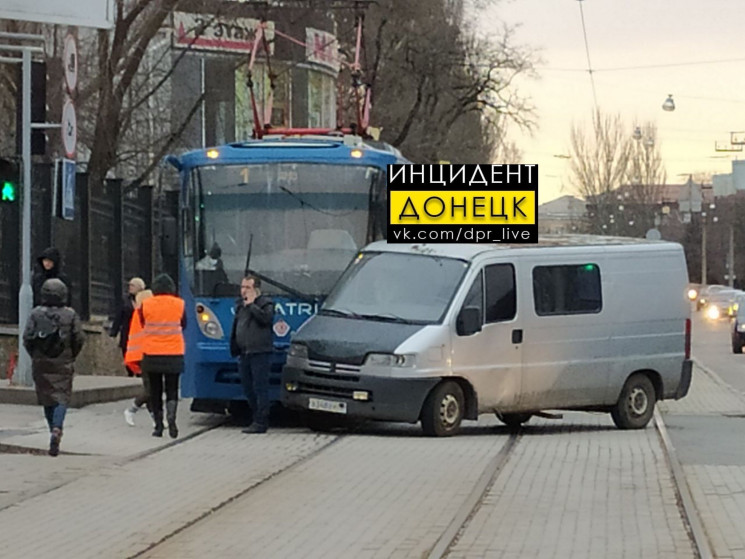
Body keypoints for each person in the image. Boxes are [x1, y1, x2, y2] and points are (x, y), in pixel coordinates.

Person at [22, 278, 85, 456]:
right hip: (63, 361)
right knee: (62, 398)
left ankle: (52, 430)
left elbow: (27, 337)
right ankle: (57, 429)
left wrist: (35, 356)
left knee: (47, 398)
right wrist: (71, 355)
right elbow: (79, 338)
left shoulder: (36, 314)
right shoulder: (70, 314)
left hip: (41, 362)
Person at [138, 274, 186, 438]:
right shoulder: (179, 304)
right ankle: (171, 417)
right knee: (172, 389)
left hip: (152, 353)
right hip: (174, 353)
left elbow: (143, 323)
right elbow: (183, 324)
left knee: (155, 390)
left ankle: (158, 426)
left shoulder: (146, 304)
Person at [230, 274, 274, 434]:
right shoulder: (240, 305)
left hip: (260, 352)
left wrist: (252, 306)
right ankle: (255, 417)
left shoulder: (266, 303)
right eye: (242, 287)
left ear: (256, 289)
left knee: (259, 387)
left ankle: (262, 421)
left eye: (247, 287)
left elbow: (266, 319)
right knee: (248, 387)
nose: (244, 291)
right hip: (244, 352)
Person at [123, 289, 154, 426]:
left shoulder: (140, 312)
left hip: (143, 354)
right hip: (145, 354)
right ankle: (131, 410)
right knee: (151, 388)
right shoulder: (143, 313)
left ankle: (155, 418)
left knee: (151, 387)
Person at [110, 277, 146, 376]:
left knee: (139, 356)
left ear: (140, 287)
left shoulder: (145, 300)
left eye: (132, 285)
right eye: (129, 285)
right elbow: (119, 316)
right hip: (127, 332)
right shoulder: (125, 300)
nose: (130, 287)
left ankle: (139, 373)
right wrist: (114, 331)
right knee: (126, 354)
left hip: (140, 334)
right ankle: (130, 373)